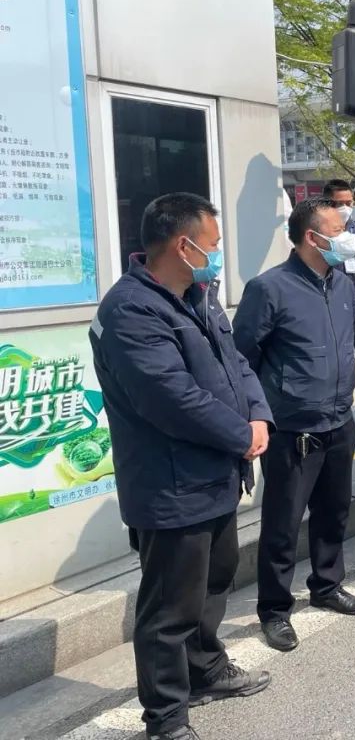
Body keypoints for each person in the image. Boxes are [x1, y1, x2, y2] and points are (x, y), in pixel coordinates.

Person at [89, 193, 272, 740]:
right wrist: (242, 436)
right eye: (212, 245)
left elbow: (237, 364)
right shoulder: (130, 310)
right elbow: (171, 398)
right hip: (171, 485)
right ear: (183, 245)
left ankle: (205, 669)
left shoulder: (199, 294)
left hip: (215, 476)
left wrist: (259, 415)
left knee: (214, 581)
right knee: (170, 606)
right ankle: (166, 717)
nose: (218, 256)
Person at [233, 197, 355, 653]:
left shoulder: (343, 283)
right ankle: (274, 609)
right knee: (283, 523)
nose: (348, 237)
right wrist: (257, 415)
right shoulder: (269, 288)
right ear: (312, 237)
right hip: (293, 429)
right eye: (338, 230)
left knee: (334, 511)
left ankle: (327, 585)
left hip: (340, 419)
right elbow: (242, 359)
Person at [323, 179, 355, 362]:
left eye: (348, 203)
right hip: (331, 309)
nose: (345, 208)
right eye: (339, 204)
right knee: (337, 361)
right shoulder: (318, 235)